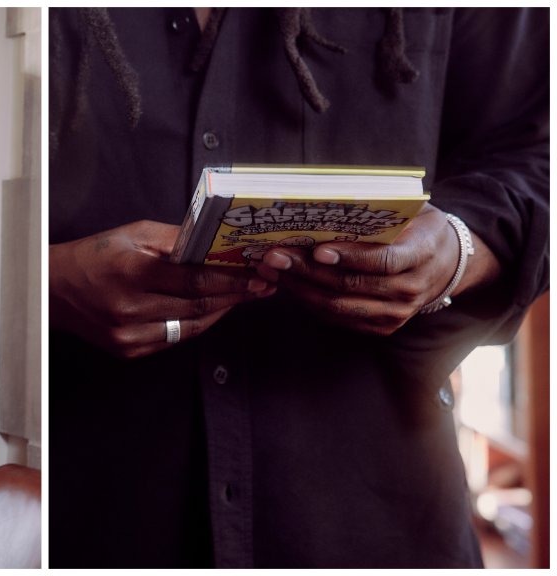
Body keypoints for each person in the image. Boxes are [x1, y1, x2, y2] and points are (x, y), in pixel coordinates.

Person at [49, 8, 547, 568]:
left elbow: (532, 149)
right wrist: (43, 287)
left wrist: (459, 250)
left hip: (374, 514)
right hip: (94, 508)